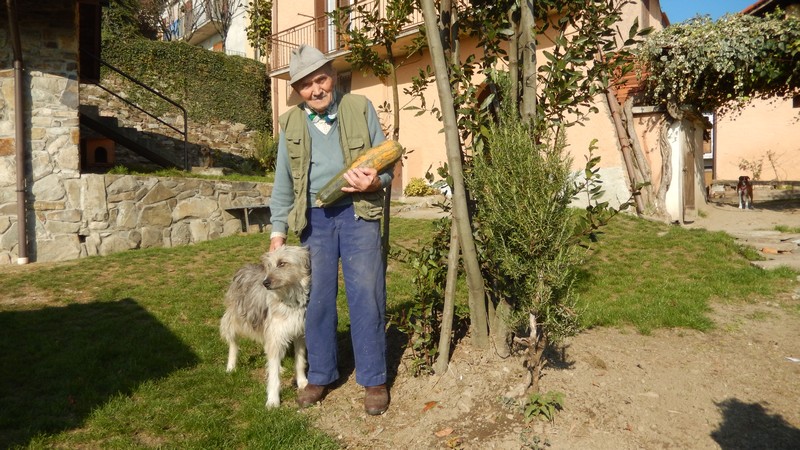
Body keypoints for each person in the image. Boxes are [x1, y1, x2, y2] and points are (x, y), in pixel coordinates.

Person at [268, 44, 393, 415]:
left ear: (333, 77)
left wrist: (375, 181)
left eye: (320, 79)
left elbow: (386, 163)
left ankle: (373, 378)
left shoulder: (359, 108)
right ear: (298, 91)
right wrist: (278, 232)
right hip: (314, 219)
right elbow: (283, 182)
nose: (316, 89)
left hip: (358, 213)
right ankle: (320, 373)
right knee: (317, 298)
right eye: (306, 85)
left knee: (366, 295)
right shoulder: (291, 123)